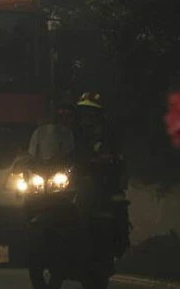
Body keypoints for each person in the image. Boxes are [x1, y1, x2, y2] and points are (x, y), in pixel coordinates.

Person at [71, 93, 131, 262]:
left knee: (118, 205)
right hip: (77, 180)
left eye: (91, 111)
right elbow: (63, 150)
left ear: (99, 114)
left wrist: (109, 160)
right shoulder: (74, 132)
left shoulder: (109, 133)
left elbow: (119, 156)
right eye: (84, 111)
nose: (86, 116)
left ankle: (118, 244)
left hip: (105, 182)